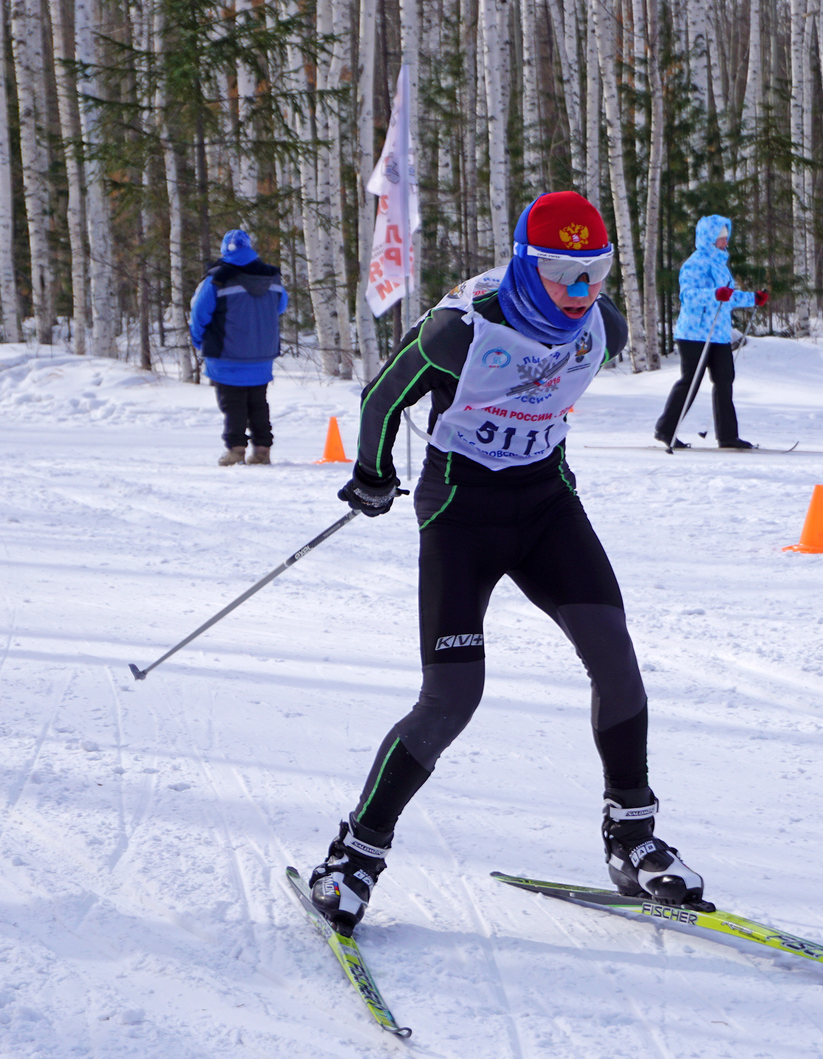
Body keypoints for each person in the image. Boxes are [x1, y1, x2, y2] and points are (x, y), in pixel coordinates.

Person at [308, 191, 709, 937]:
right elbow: (382, 397)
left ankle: (633, 837)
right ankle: (354, 856)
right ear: (526, 263)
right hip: (460, 511)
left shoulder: (604, 327)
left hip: (545, 504)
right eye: (563, 272)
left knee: (617, 663)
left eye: (596, 271)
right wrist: (370, 475)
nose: (581, 291)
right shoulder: (461, 329)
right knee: (452, 697)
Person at [653, 215, 768, 449]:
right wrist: (714, 294)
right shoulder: (694, 263)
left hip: (718, 333)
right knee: (691, 382)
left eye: (726, 238)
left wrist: (752, 298)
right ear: (709, 239)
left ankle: (727, 436)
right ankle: (666, 429)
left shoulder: (720, 265)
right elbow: (689, 296)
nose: (725, 242)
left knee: (725, 380)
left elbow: (728, 296)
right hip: (694, 333)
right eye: (721, 239)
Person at [188, 229, 289, 466]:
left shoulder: (217, 278)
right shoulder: (271, 277)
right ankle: (262, 450)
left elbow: (199, 314)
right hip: (262, 355)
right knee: (258, 402)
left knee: (232, 404)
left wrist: (198, 340)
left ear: (224, 250)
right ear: (250, 248)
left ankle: (236, 450)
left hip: (226, 353)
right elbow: (281, 306)